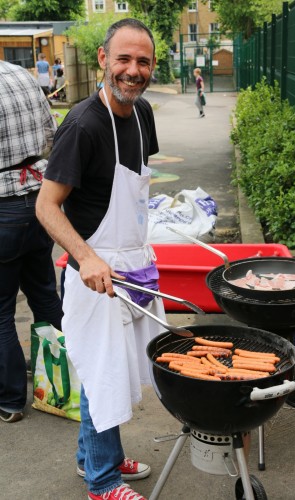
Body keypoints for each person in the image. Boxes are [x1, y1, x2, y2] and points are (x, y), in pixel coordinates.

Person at [36, 18, 166, 500]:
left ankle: (96, 455)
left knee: (115, 370)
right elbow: (46, 206)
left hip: (133, 265)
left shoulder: (144, 113)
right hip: (95, 273)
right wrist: (87, 258)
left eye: (144, 61)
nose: (133, 70)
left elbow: (132, 190)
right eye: (124, 59)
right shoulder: (83, 124)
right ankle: (103, 481)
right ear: (103, 62)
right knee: (102, 374)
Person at [0, 61, 63, 424]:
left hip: (3, 208)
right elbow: (51, 134)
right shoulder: (20, 74)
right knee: (44, 295)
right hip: (39, 201)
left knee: (0, 311)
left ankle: (10, 400)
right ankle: (57, 384)